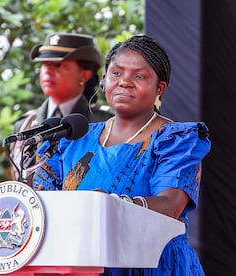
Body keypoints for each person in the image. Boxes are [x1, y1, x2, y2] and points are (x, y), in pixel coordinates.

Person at [32, 34, 211, 275]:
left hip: (153, 264)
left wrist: (111, 205)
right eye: (116, 73)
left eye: (139, 76)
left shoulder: (176, 140)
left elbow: (170, 205)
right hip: (83, 264)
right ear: (104, 80)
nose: (125, 82)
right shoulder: (70, 141)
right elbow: (43, 208)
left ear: (160, 88)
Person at [10, 32, 113, 183]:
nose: (47, 72)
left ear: (84, 75)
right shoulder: (25, 125)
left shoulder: (106, 122)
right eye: (44, 65)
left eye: (58, 65)